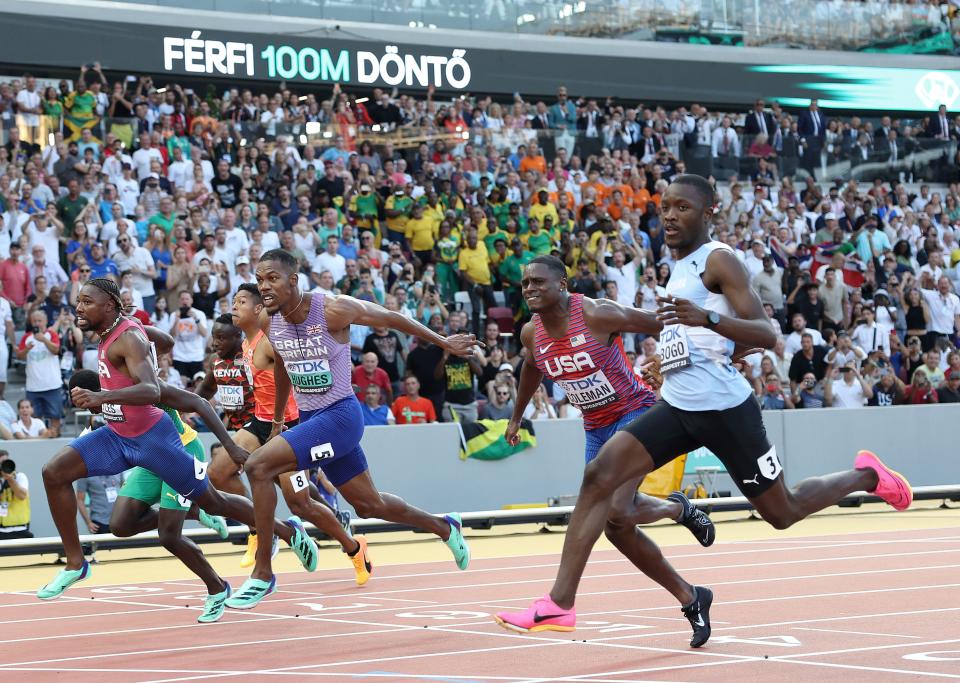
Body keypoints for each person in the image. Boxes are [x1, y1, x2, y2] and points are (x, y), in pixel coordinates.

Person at [493, 174, 912, 647]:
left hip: (725, 412)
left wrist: (709, 319)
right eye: (665, 208)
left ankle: (867, 477)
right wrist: (670, 360)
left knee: (783, 511)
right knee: (598, 478)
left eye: (682, 208)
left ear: (708, 212)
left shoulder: (718, 259)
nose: (669, 216)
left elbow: (766, 332)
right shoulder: (679, 269)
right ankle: (559, 604)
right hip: (676, 407)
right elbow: (700, 339)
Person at [226, 248, 477, 609]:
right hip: (311, 420)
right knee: (368, 505)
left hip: (341, 416)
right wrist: (279, 420)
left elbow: (391, 317)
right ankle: (445, 526)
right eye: (260, 279)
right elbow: (282, 365)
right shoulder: (270, 320)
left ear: (293, 280)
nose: (264, 286)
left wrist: (444, 341)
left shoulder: (332, 309)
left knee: (258, 466)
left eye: (272, 279)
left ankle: (263, 574)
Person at [35, 278, 302, 601]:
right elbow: (166, 341)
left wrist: (102, 395)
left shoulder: (128, 338)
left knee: (213, 503)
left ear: (108, 306)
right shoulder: (117, 331)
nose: (78, 308)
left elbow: (152, 390)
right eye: (79, 301)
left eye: (87, 302)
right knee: (54, 472)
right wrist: (138, 330)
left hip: (155, 441)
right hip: (118, 435)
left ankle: (285, 531)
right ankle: (76, 563)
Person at [69, 368, 318, 623]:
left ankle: (219, 586)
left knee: (175, 531)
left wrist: (231, 447)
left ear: (95, 391)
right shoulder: (104, 405)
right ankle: (195, 512)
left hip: (182, 452)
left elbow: (200, 403)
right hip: (149, 458)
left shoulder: (142, 385)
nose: (91, 412)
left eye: (86, 403)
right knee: (121, 525)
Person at [226, 283, 361, 575]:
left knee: (300, 503)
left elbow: (288, 372)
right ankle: (265, 529)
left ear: (259, 309)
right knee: (219, 471)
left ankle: (351, 545)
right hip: (261, 423)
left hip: (289, 425)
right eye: (233, 301)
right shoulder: (245, 344)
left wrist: (282, 420)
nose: (233, 306)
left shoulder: (270, 341)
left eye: (241, 302)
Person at [0, 449, 32, 540]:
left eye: (4, 462)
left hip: (19, 529)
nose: (2, 466)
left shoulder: (19, 476)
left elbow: (22, 495)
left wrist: (10, 479)